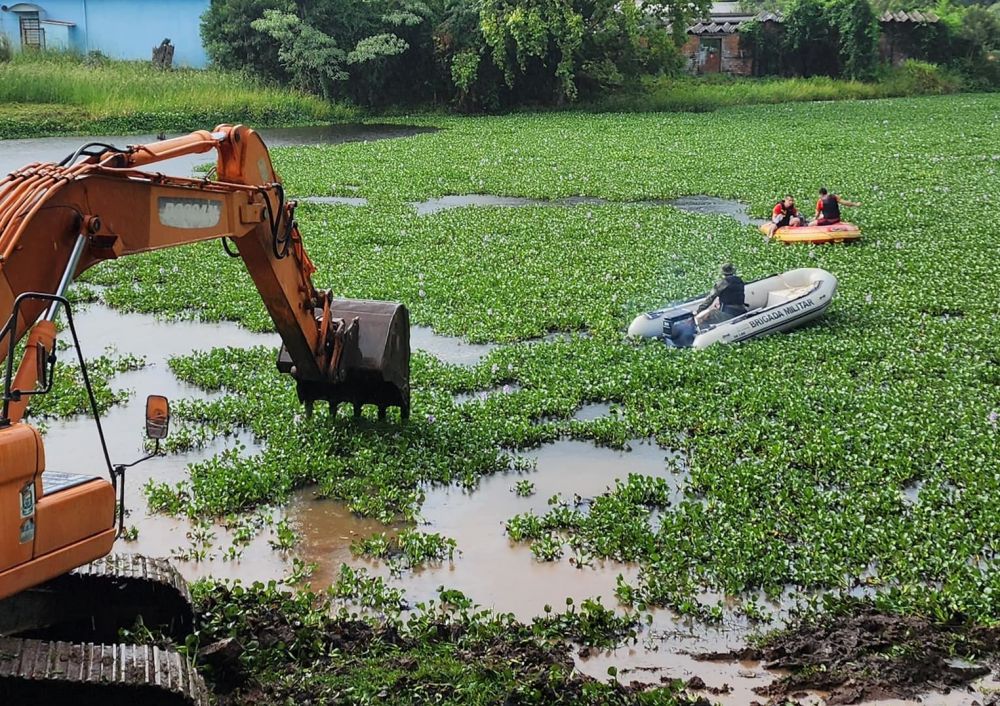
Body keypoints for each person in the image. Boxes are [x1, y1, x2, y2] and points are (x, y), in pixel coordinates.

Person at [694, 263, 747, 327]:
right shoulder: (739, 280)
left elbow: (710, 298)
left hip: (730, 313)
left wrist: (699, 310)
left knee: (701, 318)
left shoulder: (723, 282)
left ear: (723, 272)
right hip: (742, 310)